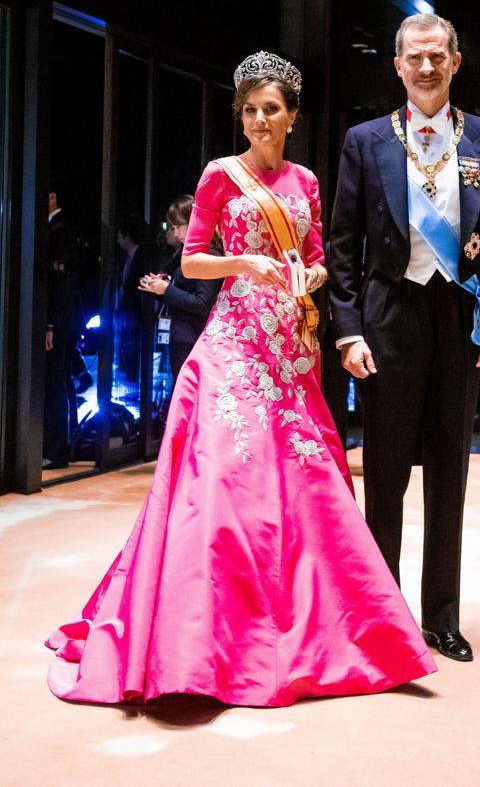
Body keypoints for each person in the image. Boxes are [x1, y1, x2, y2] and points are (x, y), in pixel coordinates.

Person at [45, 51, 435, 707]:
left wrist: (306, 278)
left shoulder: (308, 183)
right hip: (232, 346)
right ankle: (203, 641)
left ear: (292, 116)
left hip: (291, 350)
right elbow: (192, 262)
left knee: (306, 487)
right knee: (223, 481)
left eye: (271, 110)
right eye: (249, 110)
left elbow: (315, 263)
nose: (258, 121)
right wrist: (245, 263)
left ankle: (314, 632)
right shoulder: (219, 177)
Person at [327, 14, 480, 662]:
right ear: (398, 65)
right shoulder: (365, 141)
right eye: (416, 57)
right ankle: (384, 619)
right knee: (383, 479)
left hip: (461, 323)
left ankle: (442, 617)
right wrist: (348, 331)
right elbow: (343, 246)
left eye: (438, 56)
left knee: (449, 474)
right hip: (387, 320)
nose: (428, 67)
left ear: (456, 63)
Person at [138, 195, 223, 381]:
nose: (175, 233)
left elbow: (203, 303)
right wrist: (159, 287)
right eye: (173, 227)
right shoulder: (187, 252)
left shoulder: (208, 253)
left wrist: (166, 290)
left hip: (194, 339)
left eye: (178, 226)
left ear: (194, 223)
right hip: (183, 336)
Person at [43, 189, 83, 469]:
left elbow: (60, 283)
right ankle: (62, 446)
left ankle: (56, 450)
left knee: (54, 382)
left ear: (53, 196)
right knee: (61, 381)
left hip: (59, 319)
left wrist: (50, 323)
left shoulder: (59, 231)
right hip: (67, 317)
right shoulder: (64, 229)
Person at [115, 216, 145, 383]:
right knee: (127, 338)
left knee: (131, 339)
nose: (118, 241)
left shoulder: (140, 256)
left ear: (127, 237)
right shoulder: (128, 257)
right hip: (128, 307)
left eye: (119, 236)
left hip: (134, 308)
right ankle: (129, 371)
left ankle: (132, 373)